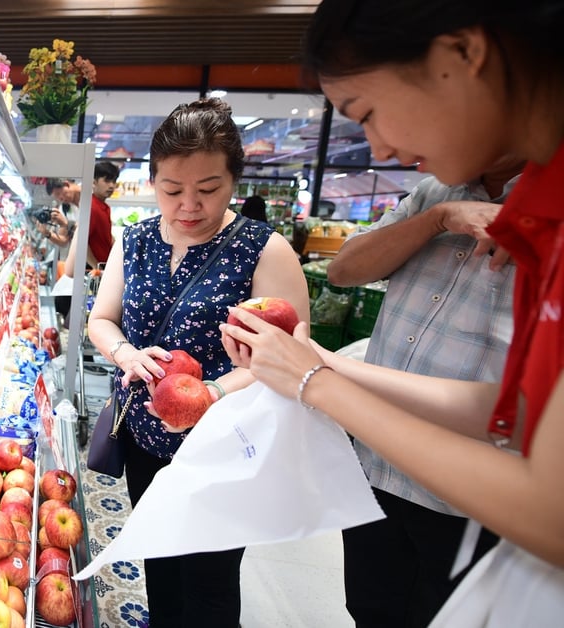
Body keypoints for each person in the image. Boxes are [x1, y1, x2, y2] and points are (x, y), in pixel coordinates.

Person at [221, 0, 564, 622]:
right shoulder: (495, 198)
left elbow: (551, 508)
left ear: (462, 53)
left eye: (368, 113)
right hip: (385, 480)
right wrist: (320, 367)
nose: (380, 145)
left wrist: (317, 381)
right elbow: (513, 412)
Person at [87, 98, 310, 627]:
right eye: (172, 190)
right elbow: (102, 319)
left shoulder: (265, 250)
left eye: (209, 189)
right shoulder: (135, 240)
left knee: (209, 583)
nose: (189, 205)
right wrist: (126, 354)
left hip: (226, 448)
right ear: (153, 180)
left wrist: (214, 392)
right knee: (160, 563)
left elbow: (293, 357)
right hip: (144, 437)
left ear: (234, 179)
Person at [326, 160, 523, 626]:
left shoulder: (546, 207)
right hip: (377, 464)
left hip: (472, 491)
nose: (390, 148)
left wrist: (323, 372)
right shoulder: (433, 191)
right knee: (370, 607)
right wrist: (436, 219)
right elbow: (344, 269)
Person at [59, 161, 119, 276]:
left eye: (114, 181)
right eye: (106, 181)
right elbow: (83, 241)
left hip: (102, 267)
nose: (111, 186)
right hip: (93, 270)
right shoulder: (92, 207)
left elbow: (106, 235)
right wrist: (96, 267)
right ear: (94, 182)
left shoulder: (104, 207)